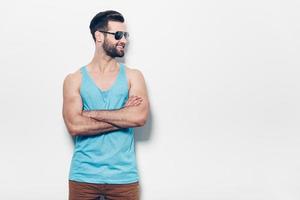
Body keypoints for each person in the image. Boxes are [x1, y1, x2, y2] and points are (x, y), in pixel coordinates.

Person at [62, 10, 149, 200]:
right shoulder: (74, 79)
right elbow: (74, 125)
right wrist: (124, 115)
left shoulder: (134, 76)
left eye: (125, 35)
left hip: (124, 178)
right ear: (99, 36)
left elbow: (139, 117)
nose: (124, 40)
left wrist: (88, 113)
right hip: (83, 176)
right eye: (118, 35)